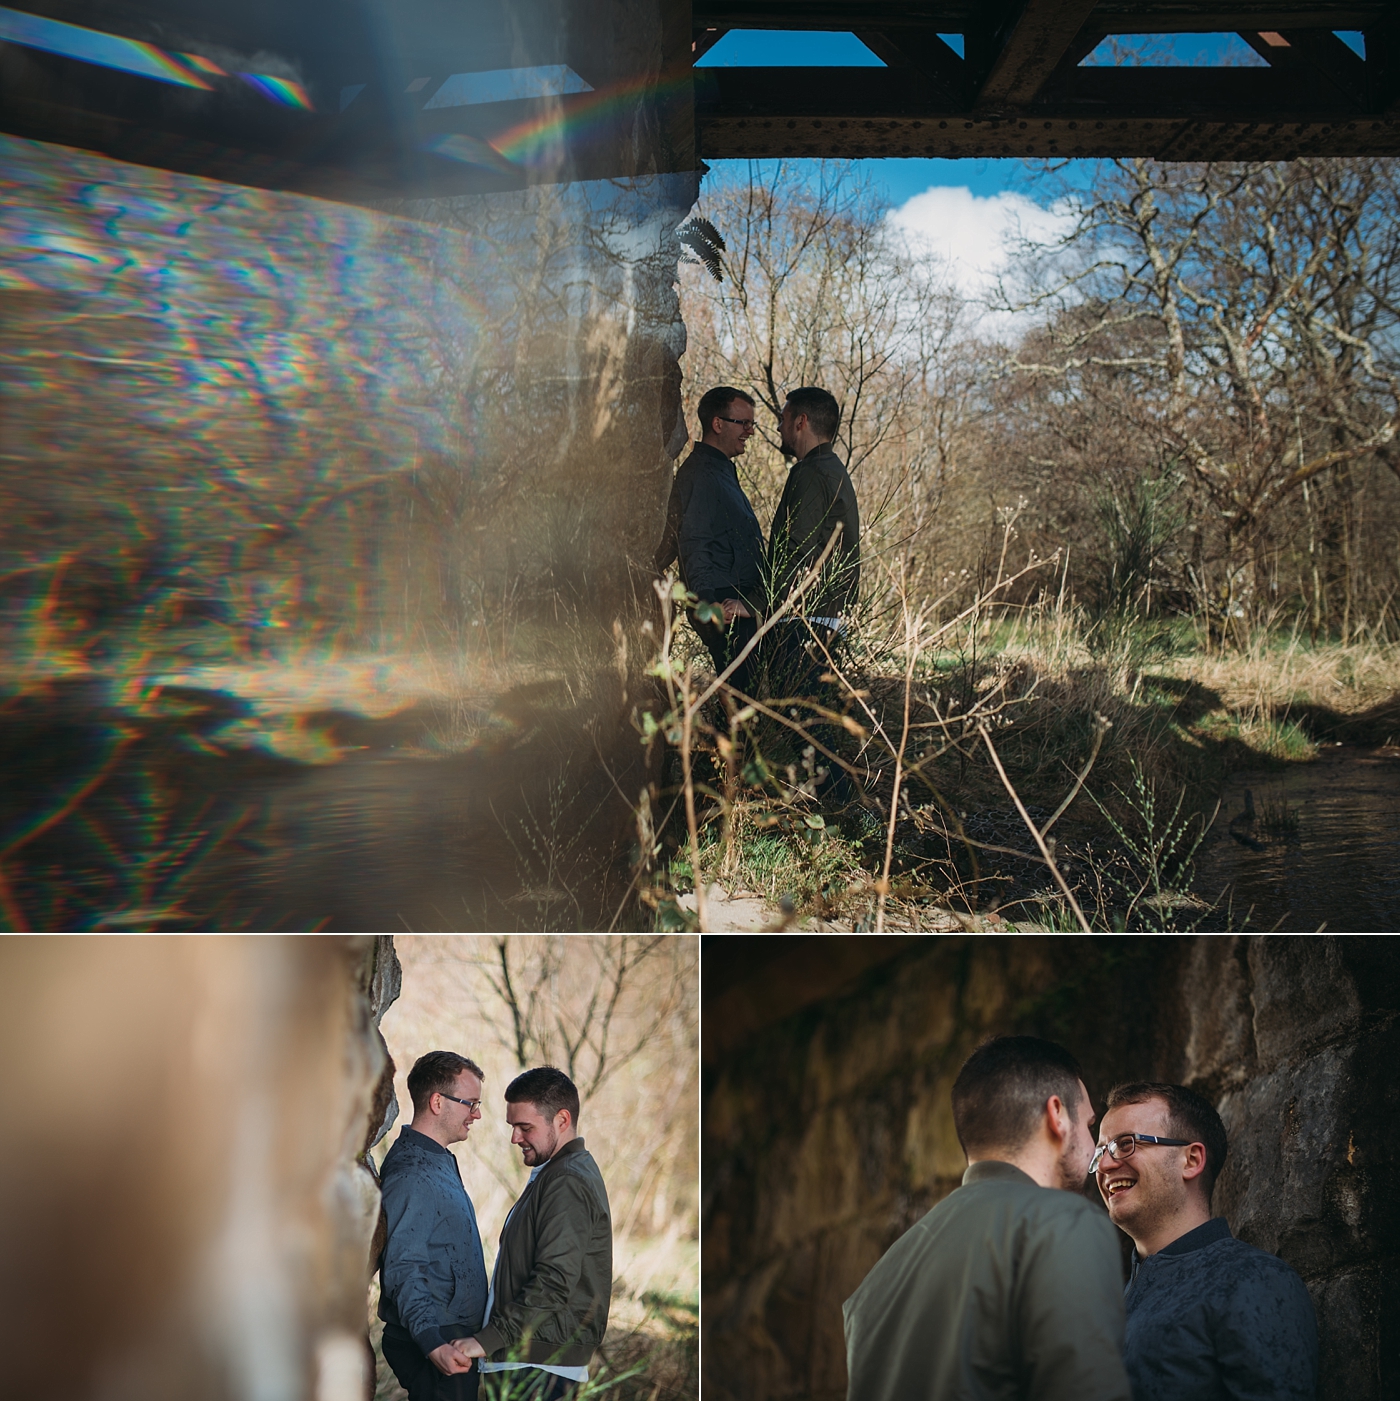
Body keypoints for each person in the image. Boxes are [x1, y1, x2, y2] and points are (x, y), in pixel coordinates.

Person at [843, 1036, 1132, 1401]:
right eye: (1090, 1126)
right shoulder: (1061, 1223)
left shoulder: (878, 1280)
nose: (1095, 1151)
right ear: (1057, 1116)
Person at [1094, 1081, 1318, 1401]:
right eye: (1100, 1152)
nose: (1103, 1165)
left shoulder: (1255, 1279)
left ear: (1192, 1160)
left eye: (1126, 1144)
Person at [451, 1067, 612, 1401]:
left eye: (525, 1127)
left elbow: (554, 1281)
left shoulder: (568, 1180)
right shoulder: (554, 1173)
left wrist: (488, 1339)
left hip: (539, 1369)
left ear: (562, 1120)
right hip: (529, 1361)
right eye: (513, 1127)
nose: (515, 1138)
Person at [378, 1051, 489, 1401]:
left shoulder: (435, 1160)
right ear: (437, 1102)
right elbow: (402, 1266)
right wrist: (432, 1343)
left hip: (452, 1337)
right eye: (470, 1103)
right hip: (438, 1341)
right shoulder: (412, 1171)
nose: (477, 1114)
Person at [654, 385, 766, 692]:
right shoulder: (701, 474)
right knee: (745, 705)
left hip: (738, 604)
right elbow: (694, 542)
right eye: (743, 423)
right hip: (727, 610)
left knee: (750, 702)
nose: (750, 431)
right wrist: (709, 606)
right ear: (718, 424)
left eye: (751, 424)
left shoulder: (721, 472)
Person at [767, 386, 860, 696]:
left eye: (783, 418)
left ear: (800, 421)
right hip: (827, 617)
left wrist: (754, 602)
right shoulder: (834, 469)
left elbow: (796, 549)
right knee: (810, 722)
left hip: (805, 619)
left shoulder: (810, 473)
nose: (779, 427)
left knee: (805, 726)